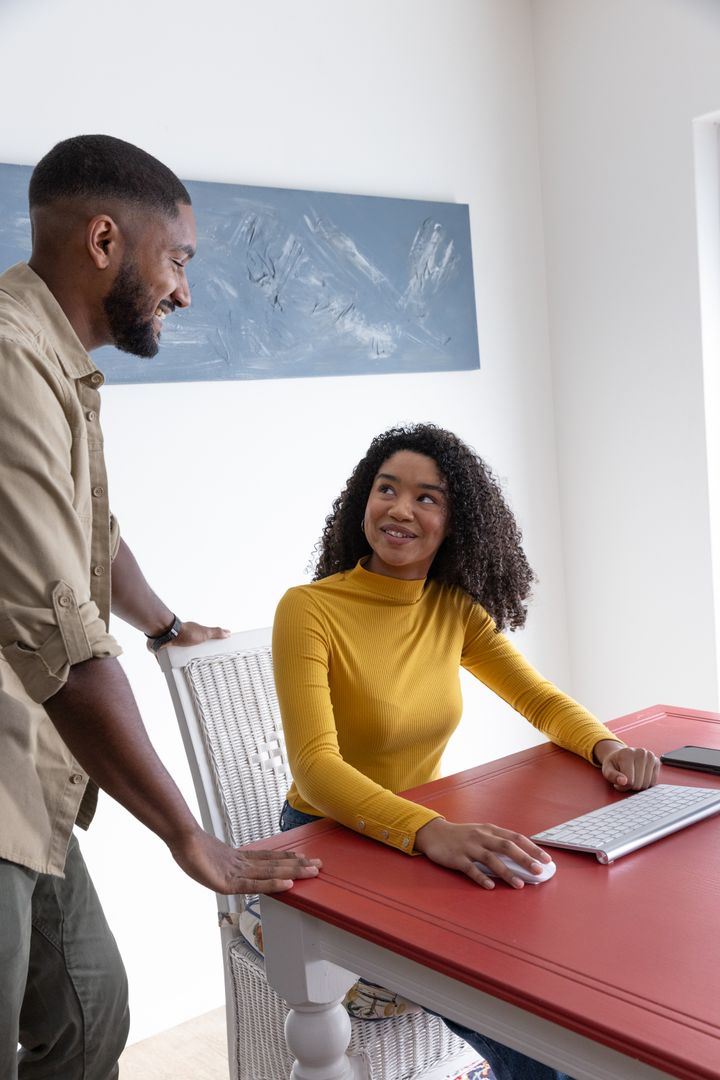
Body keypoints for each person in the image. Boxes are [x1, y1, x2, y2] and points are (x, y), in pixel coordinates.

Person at [0, 135, 320, 1080]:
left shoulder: (55, 361)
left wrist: (166, 624)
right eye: (176, 260)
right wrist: (194, 839)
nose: (183, 291)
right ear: (105, 239)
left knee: (92, 1016)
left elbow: (88, 539)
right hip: (11, 759)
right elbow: (63, 640)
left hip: (33, 776)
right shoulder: (11, 361)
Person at [272, 422, 660, 1080]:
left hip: (424, 828)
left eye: (428, 498)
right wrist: (430, 832)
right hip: (330, 836)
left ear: (456, 522)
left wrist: (606, 747)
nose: (400, 508)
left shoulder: (451, 608)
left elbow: (538, 700)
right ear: (363, 500)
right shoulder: (309, 609)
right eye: (386, 488)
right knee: (542, 1050)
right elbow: (317, 770)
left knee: (557, 963)